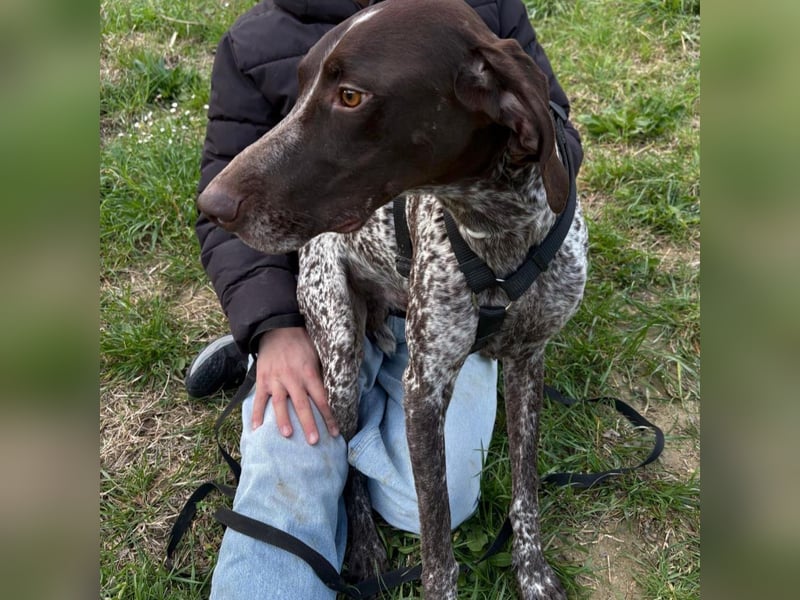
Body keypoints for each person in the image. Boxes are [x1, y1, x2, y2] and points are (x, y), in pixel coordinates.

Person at [186, 1, 583, 597]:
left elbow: (552, 127)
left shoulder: (480, 14)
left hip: (465, 292)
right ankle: (295, 366)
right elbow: (224, 201)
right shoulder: (255, 40)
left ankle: (355, 394)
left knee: (428, 499)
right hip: (315, 277)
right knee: (288, 476)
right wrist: (272, 326)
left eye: (348, 97)